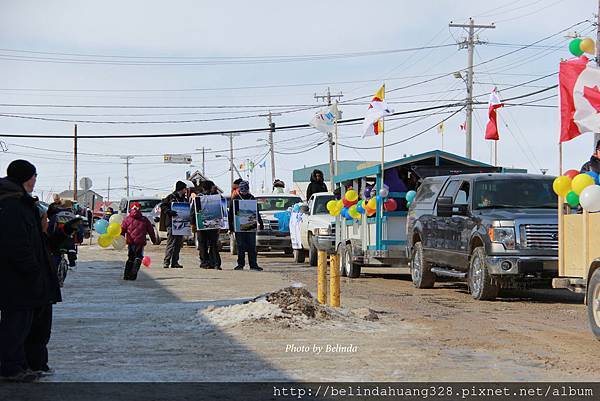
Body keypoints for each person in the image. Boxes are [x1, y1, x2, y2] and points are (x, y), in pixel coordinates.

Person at [0, 160, 61, 382]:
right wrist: (32, 270)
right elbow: (16, 244)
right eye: (35, 176)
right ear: (27, 177)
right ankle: (11, 368)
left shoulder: (22, 202)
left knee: (31, 325)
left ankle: (26, 364)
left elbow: (38, 241)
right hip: (18, 278)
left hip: (29, 277)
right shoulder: (12, 204)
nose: (36, 180)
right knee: (15, 326)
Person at [228, 181, 263, 271]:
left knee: (252, 246)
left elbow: (256, 212)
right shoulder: (235, 199)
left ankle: (253, 264)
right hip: (239, 227)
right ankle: (240, 264)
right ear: (240, 189)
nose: (244, 192)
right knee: (240, 246)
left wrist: (260, 222)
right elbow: (230, 213)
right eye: (242, 190)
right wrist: (231, 226)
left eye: (246, 190)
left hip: (251, 226)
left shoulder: (252, 198)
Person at [120, 202, 157, 280]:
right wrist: (154, 240)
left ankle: (126, 275)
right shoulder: (144, 219)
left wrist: (121, 239)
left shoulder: (127, 219)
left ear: (131, 209)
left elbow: (122, 230)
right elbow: (151, 230)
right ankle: (133, 274)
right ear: (140, 209)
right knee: (138, 257)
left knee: (130, 257)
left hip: (131, 242)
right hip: (140, 242)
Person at [193, 181, 222, 270]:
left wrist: (193, 224)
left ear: (203, 188)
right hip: (213, 225)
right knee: (213, 244)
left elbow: (193, 212)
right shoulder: (216, 198)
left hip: (201, 225)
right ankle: (216, 263)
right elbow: (222, 210)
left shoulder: (199, 198)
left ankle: (205, 263)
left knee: (203, 245)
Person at [160, 181, 188, 269]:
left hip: (181, 224)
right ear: (181, 189)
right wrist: (169, 212)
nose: (186, 190)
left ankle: (175, 262)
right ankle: (166, 262)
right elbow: (163, 206)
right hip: (172, 224)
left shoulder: (184, 199)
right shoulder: (171, 197)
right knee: (171, 243)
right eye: (185, 189)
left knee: (178, 244)